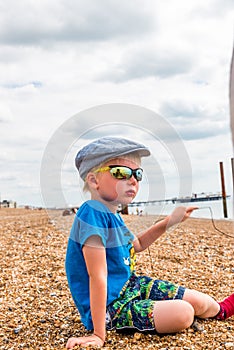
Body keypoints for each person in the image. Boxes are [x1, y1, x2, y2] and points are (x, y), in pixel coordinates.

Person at [65, 136, 234, 349]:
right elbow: (97, 276)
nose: (133, 180)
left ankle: (223, 310)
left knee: (201, 302)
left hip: (132, 285)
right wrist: (99, 334)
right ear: (93, 180)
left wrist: (168, 222)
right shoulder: (91, 214)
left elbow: (136, 245)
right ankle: (110, 324)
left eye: (137, 174)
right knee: (184, 313)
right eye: (121, 173)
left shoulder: (113, 214)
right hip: (112, 306)